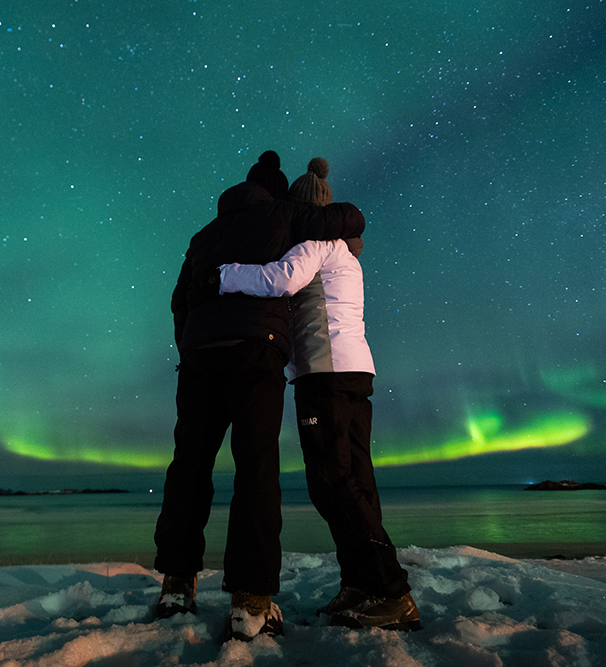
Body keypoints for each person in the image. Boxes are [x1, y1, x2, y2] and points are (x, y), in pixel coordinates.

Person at [153, 151, 366, 641]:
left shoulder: (204, 233)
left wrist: (191, 340)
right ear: (274, 192)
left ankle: (175, 585)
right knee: (255, 466)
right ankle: (250, 601)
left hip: (201, 354)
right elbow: (351, 217)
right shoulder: (285, 214)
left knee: (189, 464)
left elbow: (179, 299)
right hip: (257, 350)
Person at [214, 157, 420, 631]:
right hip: (352, 371)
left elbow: (278, 280)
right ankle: (362, 584)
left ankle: (391, 592)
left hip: (325, 375)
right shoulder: (346, 252)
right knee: (356, 482)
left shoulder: (317, 245)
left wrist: (222, 276)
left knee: (333, 483)